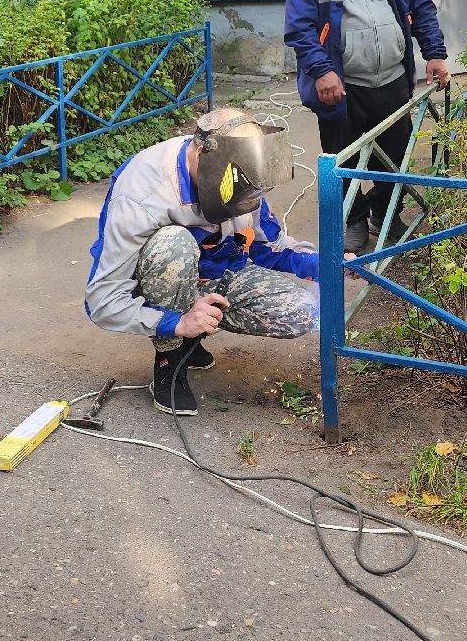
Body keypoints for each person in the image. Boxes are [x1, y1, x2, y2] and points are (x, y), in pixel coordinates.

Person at [84, 107, 320, 415]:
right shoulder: (142, 194)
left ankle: (193, 338)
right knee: (173, 244)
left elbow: (267, 246)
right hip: (157, 281)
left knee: (300, 312)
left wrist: (326, 261)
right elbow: (102, 301)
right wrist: (177, 323)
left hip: (217, 272)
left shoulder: (238, 171)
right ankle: (170, 361)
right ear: (200, 152)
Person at [284, 0, 449, 254]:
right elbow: (299, 30)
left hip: (391, 79)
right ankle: (353, 218)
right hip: (342, 87)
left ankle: (385, 213)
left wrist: (434, 53)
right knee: (341, 162)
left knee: (395, 156)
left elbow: (421, 7)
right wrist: (322, 71)